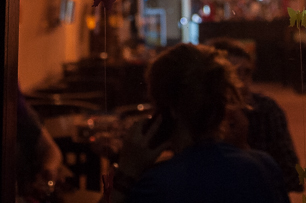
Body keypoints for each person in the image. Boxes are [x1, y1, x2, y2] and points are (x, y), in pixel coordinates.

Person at [107, 43, 287, 203]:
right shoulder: (265, 166)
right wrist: (244, 151)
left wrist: (126, 174)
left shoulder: (156, 185)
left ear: (165, 110)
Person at [209, 38, 302, 193]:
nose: (243, 83)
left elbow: (292, 177)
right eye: (233, 74)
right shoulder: (204, 115)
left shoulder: (266, 110)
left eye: (247, 72)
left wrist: (242, 150)